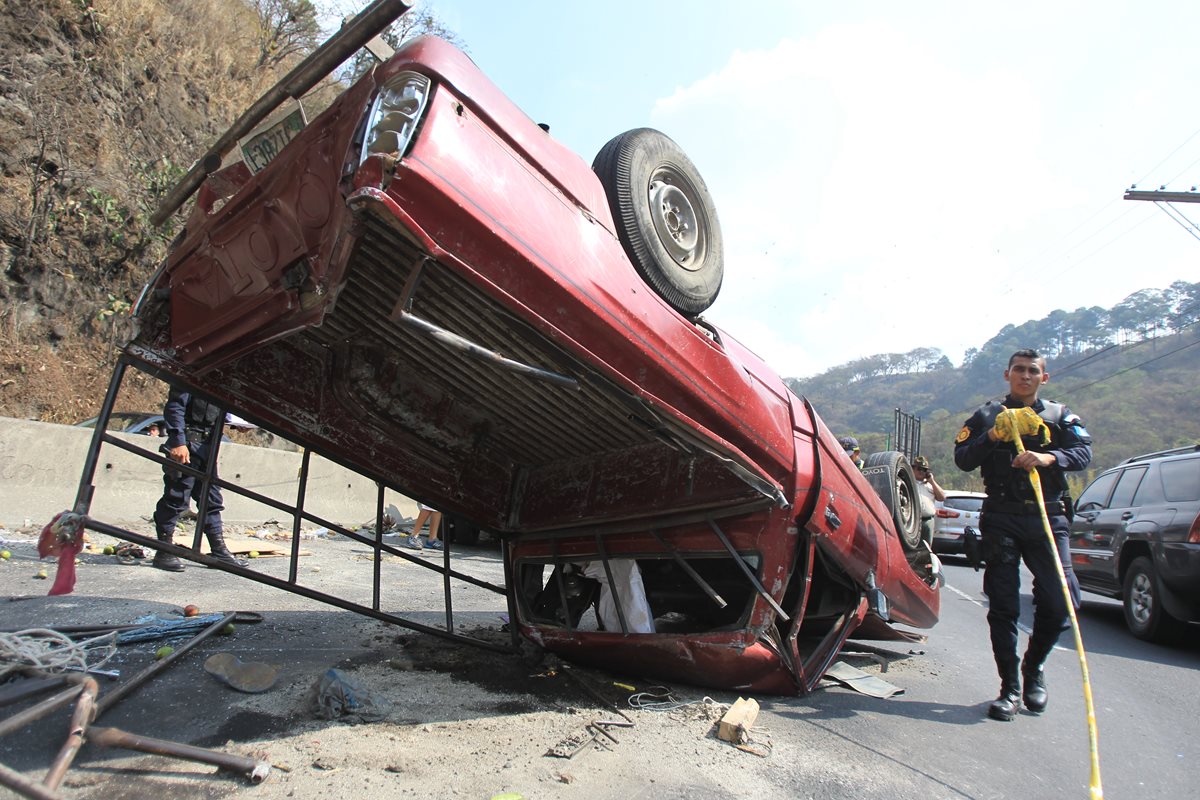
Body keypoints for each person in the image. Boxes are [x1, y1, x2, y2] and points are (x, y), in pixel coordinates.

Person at [953, 349, 1091, 722]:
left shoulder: (1060, 416)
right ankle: (1010, 688)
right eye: (1019, 370)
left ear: (1043, 378)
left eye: (1033, 371)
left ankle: (1034, 668)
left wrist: (1048, 458)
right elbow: (963, 457)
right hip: (1001, 517)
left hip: (1048, 517)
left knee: (1062, 602)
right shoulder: (986, 416)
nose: (1025, 376)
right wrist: (993, 437)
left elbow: (1082, 453)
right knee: (1003, 606)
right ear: (1007, 374)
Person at [151, 388, 246, 571]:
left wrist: (236, 422)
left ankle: (218, 550)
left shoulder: (221, 380)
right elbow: (175, 406)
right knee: (176, 497)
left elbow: (214, 412)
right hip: (187, 444)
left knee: (211, 499)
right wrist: (178, 441)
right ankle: (164, 550)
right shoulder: (195, 371)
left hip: (207, 447)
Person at [912, 455, 946, 546]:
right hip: (912, 521)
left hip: (927, 521)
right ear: (913, 469)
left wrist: (932, 481)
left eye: (924, 470)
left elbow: (942, 497)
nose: (921, 472)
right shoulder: (908, 483)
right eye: (919, 469)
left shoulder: (930, 486)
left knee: (926, 548)